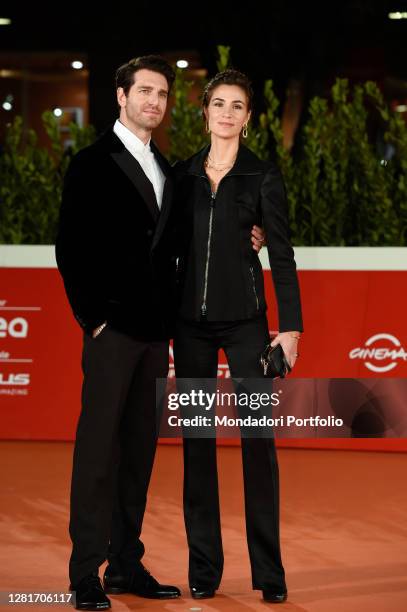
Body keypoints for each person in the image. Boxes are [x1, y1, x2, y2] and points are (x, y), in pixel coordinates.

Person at [56, 56, 264, 611]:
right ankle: (84, 574)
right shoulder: (92, 163)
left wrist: (250, 234)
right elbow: (70, 249)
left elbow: (191, 243)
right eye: (144, 91)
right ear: (121, 96)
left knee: (140, 453)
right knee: (98, 453)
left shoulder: (171, 171)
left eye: (163, 94)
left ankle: (125, 565)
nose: (154, 101)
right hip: (111, 333)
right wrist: (93, 319)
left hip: (155, 335)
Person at [173, 69, 303, 604]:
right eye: (218, 103)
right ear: (205, 111)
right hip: (190, 327)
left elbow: (282, 254)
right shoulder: (181, 175)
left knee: (257, 446)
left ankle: (269, 574)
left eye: (237, 106)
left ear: (248, 117)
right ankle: (204, 571)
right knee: (197, 447)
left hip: (248, 322)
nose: (226, 113)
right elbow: (164, 248)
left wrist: (290, 328)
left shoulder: (262, 175)